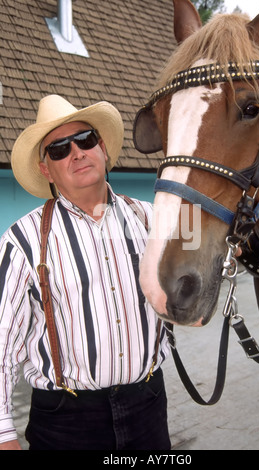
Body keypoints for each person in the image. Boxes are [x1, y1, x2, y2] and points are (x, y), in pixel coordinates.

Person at [0, 94, 171, 450]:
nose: (76, 152)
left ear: (103, 148)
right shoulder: (23, 240)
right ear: (46, 169)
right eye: (59, 149)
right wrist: (4, 437)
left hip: (149, 408)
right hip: (67, 423)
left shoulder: (152, 219)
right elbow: (1, 349)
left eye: (86, 139)